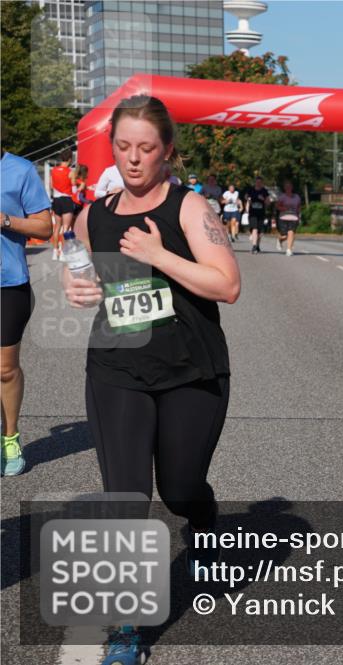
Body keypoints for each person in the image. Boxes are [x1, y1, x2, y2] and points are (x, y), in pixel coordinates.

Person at [61, 94, 240, 663]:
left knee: (180, 489)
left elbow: (227, 286)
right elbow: (100, 282)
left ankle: (203, 518)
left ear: (167, 152)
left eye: (146, 148)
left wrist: (161, 255)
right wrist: (80, 289)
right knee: (126, 501)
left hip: (192, 370)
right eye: (123, 147)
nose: (134, 159)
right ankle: (125, 630)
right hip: (118, 368)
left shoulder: (191, 210)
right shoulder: (94, 216)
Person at [1, 150, 53, 476]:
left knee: (5, 369)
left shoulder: (19, 170)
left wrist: (6, 220)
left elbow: (45, 227)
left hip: (8, 284)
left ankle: (10, 436)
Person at [50, 149, 79, 259]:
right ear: (70, 159)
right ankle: (63, 252)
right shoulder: (71, 172)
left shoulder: (53, 170)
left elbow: (51, 185)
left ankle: (55, 251)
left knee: (57, 227)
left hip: (56, 200)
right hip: (67, 200)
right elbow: (74, 190)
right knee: (66, 228)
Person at [244, 176, 270, 254]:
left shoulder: (264, 191)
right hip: (252, 213)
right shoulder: (251, 190)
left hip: (261, 213)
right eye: (257, 182)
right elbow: (246, 196)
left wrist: (263, 199)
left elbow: (268, 202)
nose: (258, 183)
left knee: (259, 232)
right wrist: (248, 199)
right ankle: (254, 246)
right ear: (255, 182)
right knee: (254, 228)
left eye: (260, 182)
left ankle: (257, 245)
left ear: (262, 183)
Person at [275, 181, 301, 257]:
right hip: (283, 217)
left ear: (292, 188)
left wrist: (299, 215)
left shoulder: (296, 197)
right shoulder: (282, 197)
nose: (288, 188)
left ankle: (289, 250)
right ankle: (280, 239)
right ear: (284, 188)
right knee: (285, 235)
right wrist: (283, 208)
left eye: (289, 187)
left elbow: (299, 207)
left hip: (294, 217)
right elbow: (277, 206)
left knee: (291, 233)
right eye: (286, 187)